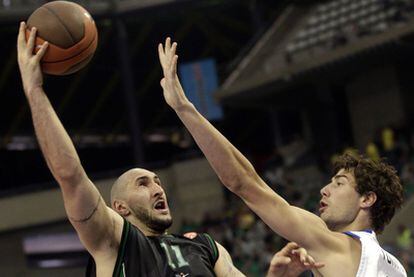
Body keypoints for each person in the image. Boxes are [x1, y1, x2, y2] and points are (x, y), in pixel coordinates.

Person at [16, 23, 323, 277]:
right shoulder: (112, 241)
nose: (157, 187)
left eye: (157, 180)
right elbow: (70, 175)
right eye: (143, 183)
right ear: (120, 207)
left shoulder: (206, 246)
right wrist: (35, 90)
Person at [158, 37, 408, 276]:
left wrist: (184, 108)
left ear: (367, 199)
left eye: (339, 183)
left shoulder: (333, 245)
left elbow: (243, 182)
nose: (324, 190)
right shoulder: (396, 266)